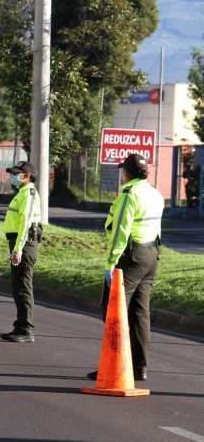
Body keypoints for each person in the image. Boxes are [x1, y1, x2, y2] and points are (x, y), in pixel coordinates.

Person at [88, 153, 163, 381]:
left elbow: (120, 231)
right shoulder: (155, 193)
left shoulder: (128, 195)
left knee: (113, 311)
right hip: (151, 254)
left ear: (127, 172)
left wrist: (111, 264)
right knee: (140, 314)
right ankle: (140, 367)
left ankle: (116, 366)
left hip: (131, 256)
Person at [0, 161, 42, 343]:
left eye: (16, 174)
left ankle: (26, 329)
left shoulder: (29, 194)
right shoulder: (23, 193)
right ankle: (20, 326)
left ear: (26, 176)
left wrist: (17, 249)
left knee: (23, 287)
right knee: (18, 287)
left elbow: (25, 224)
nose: (12, 177)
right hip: (19, 244)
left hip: (24, 245)